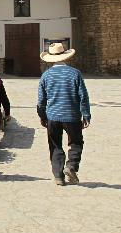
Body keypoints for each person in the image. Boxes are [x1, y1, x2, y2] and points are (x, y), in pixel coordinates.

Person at [37, 42, 91, 186]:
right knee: (76, 142)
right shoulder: (75, 74)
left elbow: (41, 100)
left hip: (53, 116)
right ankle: (71, 166)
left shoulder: (46, 76)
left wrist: (42, 116)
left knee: (55, 145)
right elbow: (83, 96)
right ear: (65, 57)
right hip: (72, 116)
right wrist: (86, 114)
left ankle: (58, 176)